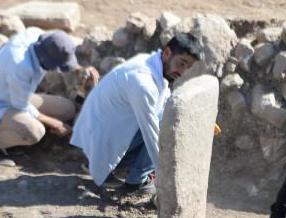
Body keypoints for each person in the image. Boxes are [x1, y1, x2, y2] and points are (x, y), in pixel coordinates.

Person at [71, 32, 202, 195]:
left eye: (187, 67)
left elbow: (163, 98)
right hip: (99, 143)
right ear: (167, 53)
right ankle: (136, 181)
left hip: (98, 137)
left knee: (166, 115)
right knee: (166, 120)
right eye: (181, 63)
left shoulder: (151, 62)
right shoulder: (143, 83)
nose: (183, 71)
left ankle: (106, 164)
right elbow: (152, 134)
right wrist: (167, 179)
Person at [0, 28, 99, 166]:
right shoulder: (20, 65)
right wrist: (54, 123)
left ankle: (15, 132)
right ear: (47, 60)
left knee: (68, 109)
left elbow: (58, 49)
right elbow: (21, 106)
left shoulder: (40, 39)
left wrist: (79, 69)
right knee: (35, 132)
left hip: (14, 95)